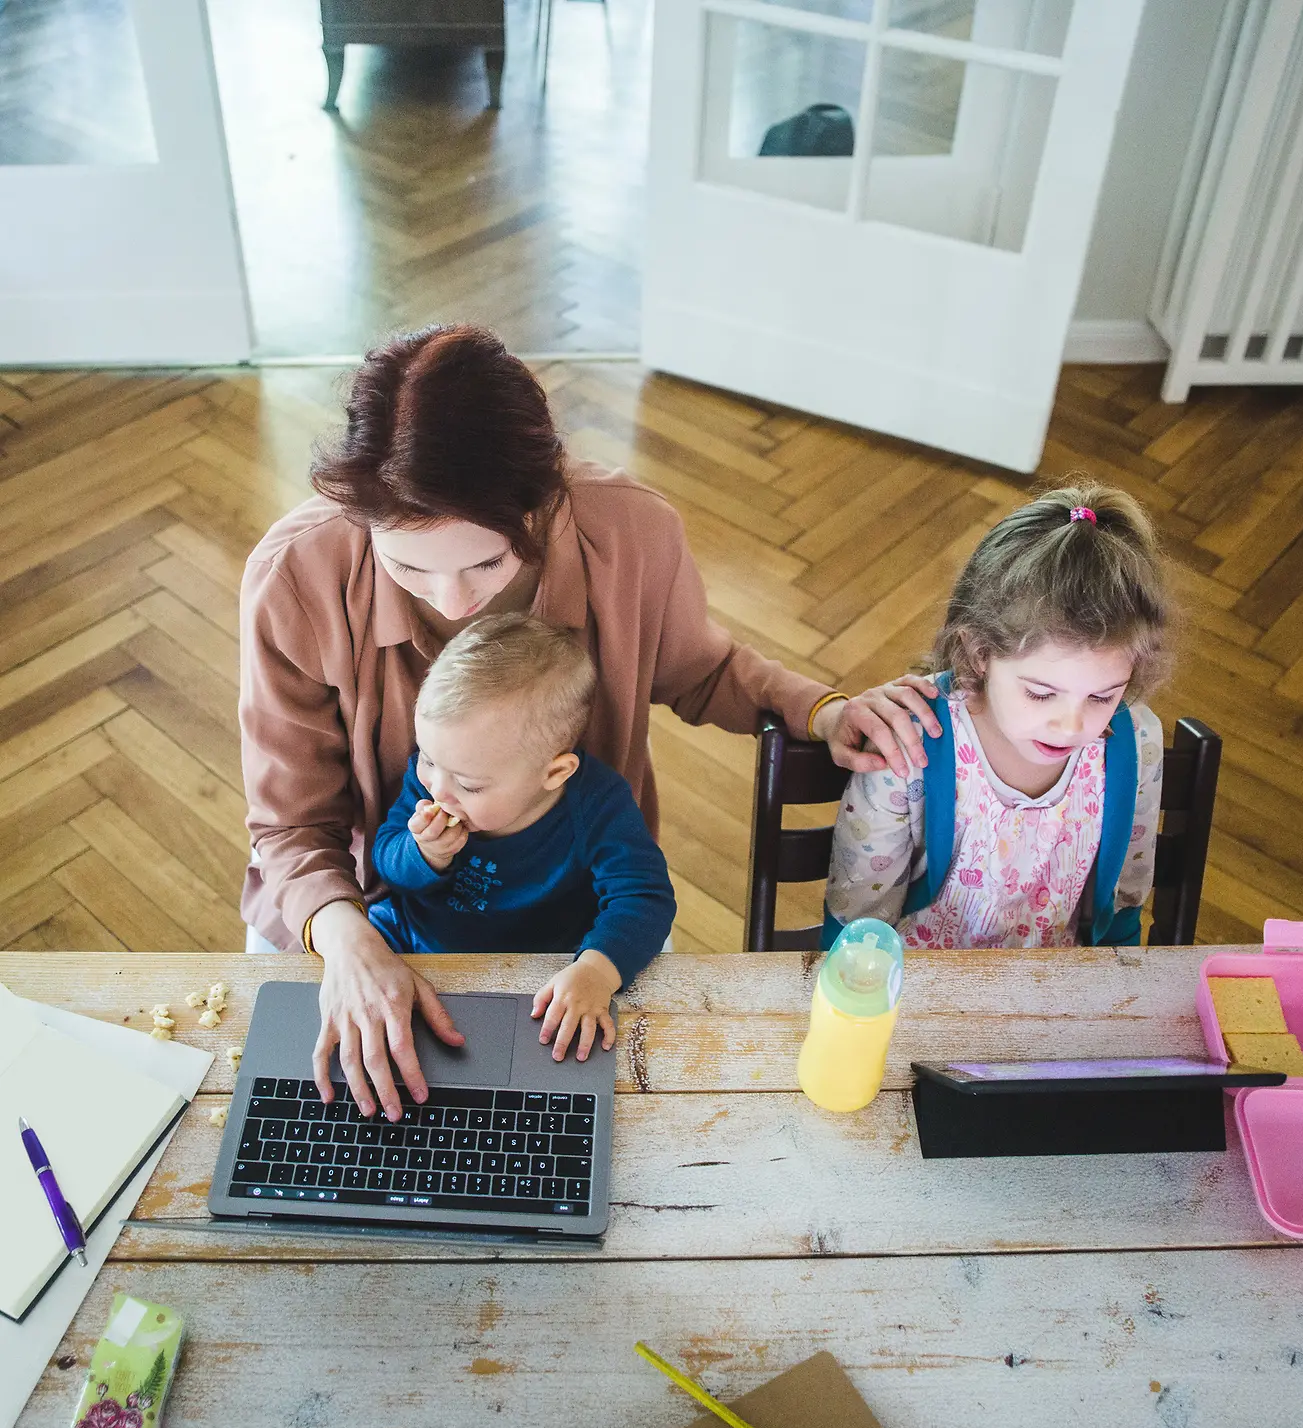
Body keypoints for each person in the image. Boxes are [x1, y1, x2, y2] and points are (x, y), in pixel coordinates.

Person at [239, 323, 935, 1122]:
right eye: (406, 567)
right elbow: (291, 826)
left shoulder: (631, 533)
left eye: (487, 564)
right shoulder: (296, 577)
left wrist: (821, 707)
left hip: (578, 916)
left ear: (546, 503)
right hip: (366, 908)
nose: (453, 602)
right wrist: (351, 942)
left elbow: (700, 669)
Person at [824, 481, 1172, 950]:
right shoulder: (906, 745)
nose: (1072, 727)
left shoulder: (1136, 745)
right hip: (917, 996)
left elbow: (1121, 913)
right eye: (1041, 694)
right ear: (979, 652)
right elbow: (855, 928)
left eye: (1102, 697)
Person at [370, 614, 675, 1068]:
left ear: (554, 773)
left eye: (471, 786)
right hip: (417, 947)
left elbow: (645, 898)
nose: (439, 790)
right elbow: (385, 860)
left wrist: (595, 970)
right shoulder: (434, 782)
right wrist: (422, 853)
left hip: (545, 973)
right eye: (428, 760)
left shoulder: (597, 804)